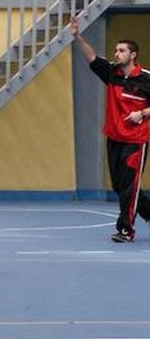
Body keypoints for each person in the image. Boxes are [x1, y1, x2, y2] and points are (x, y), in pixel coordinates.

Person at [70, 18, 150, 242]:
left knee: (129, 187)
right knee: (120, 186)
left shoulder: (146, 78)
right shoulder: (112, 73)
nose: (117, 53)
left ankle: (126, 230)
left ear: (133, 54)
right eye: (115, 50)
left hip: (136, 140)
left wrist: (142, 113)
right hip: (114, 138)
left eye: (122, 50)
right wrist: (77, 36)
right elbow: (92, 58)